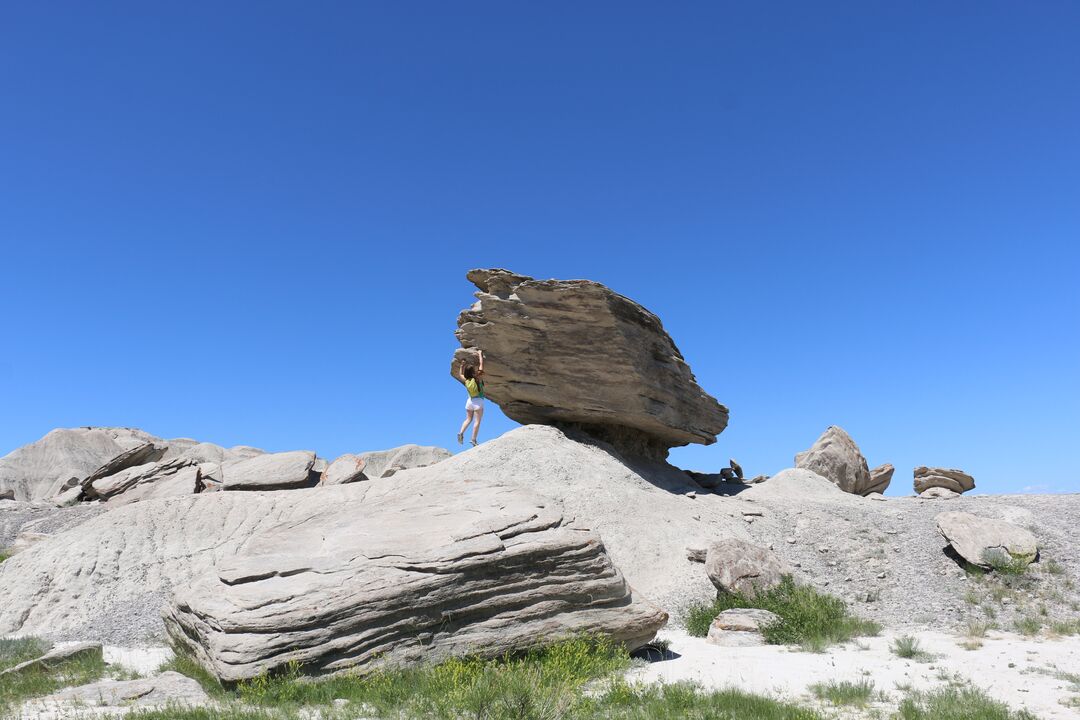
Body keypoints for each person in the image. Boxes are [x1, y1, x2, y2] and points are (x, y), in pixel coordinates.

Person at [457, 350, 485, 446]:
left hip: (470, 401)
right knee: (477, 421)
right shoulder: (478, 378)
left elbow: (460, 374)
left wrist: (462, 365)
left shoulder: (466, 380)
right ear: (473, 372)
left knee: (468, 419)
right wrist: (480, 354)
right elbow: (481, 365)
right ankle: (473, 439)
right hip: (478, 402)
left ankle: (461, 433)